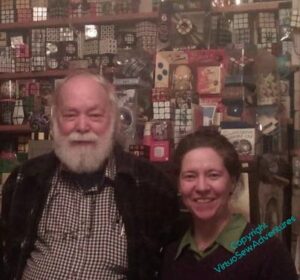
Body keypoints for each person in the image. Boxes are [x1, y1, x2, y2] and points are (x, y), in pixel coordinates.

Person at [0, 71, 180, 280]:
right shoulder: (24, 181)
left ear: (112, 121)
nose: (82, 126)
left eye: (95, 115)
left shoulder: (151, 186)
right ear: (55, 121)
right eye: (70, 115)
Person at [160, 127, 298, 280]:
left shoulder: (268, 252)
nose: (201, 187)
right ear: (179, 184)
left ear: (233, 182)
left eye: (213, 175)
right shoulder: (171, 254)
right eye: (190, 176)